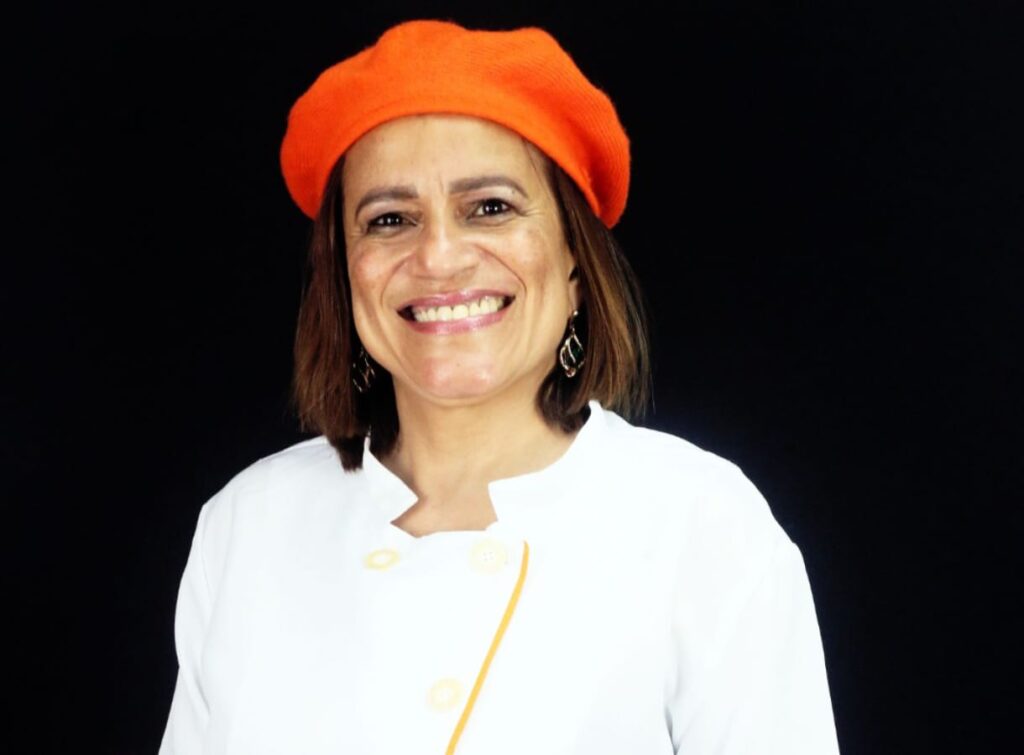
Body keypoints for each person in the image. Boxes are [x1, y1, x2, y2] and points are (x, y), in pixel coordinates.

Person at [159, 19, 840, 755]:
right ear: (343, 275)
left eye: (490, 207)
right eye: (390, 219)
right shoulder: (248, 526)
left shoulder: (702, 526)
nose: (439, 258)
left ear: (575, 262)